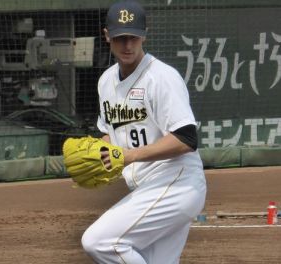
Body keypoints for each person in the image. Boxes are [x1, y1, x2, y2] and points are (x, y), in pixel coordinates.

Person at [81, 0, 207, 263]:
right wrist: (104, 151)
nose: (128, 45)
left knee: (99, 242)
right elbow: (108, 131)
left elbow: (186, 138)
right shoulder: (106, 81)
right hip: (148, 190)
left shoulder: (161, 77)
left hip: (176, 183)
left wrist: (130, 156)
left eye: (134, 37)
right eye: (120, 37)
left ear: (144, 34)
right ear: (107, 36)